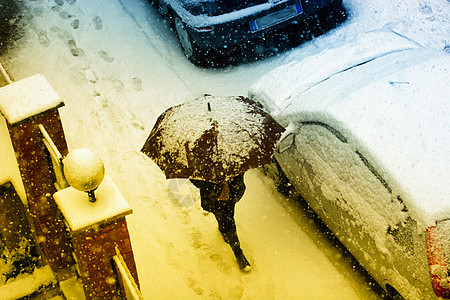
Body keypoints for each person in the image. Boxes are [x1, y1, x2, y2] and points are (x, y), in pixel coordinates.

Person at [190, 174, 251, 272]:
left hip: (230, 195)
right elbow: (195, 179)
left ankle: (235, 248)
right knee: (223, 218)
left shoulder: (232, 160)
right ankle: (235, 249)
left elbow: (240, 172)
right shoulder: (202, 163)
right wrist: (215, 188)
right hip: (212, 198)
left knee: (228, 219)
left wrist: (229, 186)